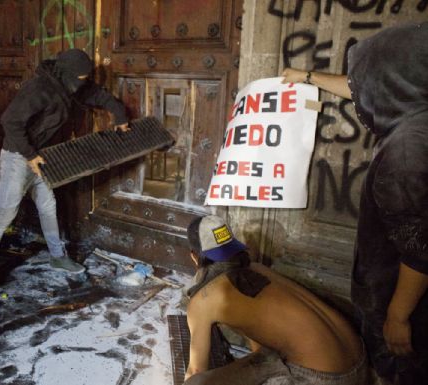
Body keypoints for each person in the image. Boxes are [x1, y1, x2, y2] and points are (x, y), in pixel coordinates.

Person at [282, 21, 428, 384]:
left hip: (401, 302)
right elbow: (361, 87)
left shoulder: (408, 152)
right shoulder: (416, 112)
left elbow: (419, 249)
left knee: (400, 369)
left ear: (392, 84)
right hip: (400, 296)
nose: (360, 91)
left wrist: (397, 316)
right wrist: (307, 76)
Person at [0, 49, 129, 309]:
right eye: (81, 78)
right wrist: (29, 155)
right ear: (67, 74)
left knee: (48, 205)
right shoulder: (39, 88)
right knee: (3, 216)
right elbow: (9, 121)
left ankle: (57, 256)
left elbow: (98, 95)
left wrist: (119, 116)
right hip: (18, 157)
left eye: (85, 78)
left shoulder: (70, 83)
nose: (82, 83)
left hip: (38, 157)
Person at [182, 215, 368, 385]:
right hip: (360, 360)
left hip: (327, 378)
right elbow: (258, 339)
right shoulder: (257, 270)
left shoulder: (203, 300)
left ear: (193, 256)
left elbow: (196, 370)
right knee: (262, 358)